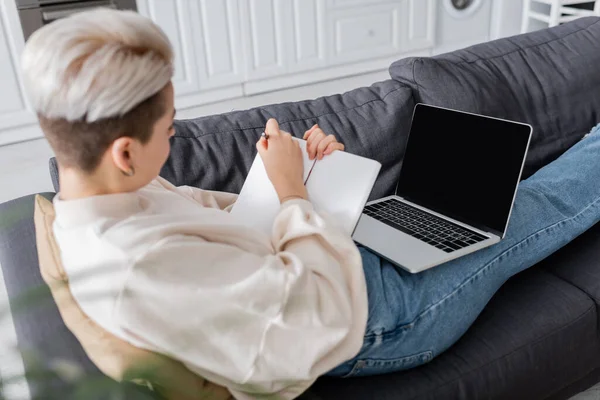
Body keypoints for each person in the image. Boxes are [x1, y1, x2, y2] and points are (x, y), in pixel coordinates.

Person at [21, 8, 600, 400]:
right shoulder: (136, 269)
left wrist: (301, 173)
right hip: (377, 320)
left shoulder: (111, 192)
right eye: (169, 129)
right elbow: (317, 318)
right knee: (538, 205)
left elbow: (230, 227)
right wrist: (295, 193)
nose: (174, 139)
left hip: (341, 259)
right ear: (124, 150)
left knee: (467, 192)